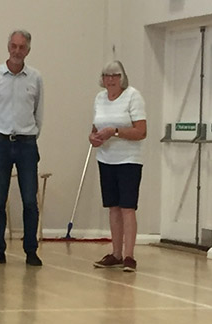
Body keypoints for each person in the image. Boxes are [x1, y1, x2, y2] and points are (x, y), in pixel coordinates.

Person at [0, 29, 44, 267]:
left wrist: (29, 133)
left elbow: (39, 113)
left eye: (22, 47)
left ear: (28, 50)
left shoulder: (35, 78)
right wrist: (0, 130)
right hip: (0, 143)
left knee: (30, 200)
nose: (17, 51)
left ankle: (31, 250)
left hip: (27, 144)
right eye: (14, 46)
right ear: (8, 47)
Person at [90, 61, 147, 273]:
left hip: (129, 160)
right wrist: (94, 137)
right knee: (113, 206)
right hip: (106, 159)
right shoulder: (100, 98)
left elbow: (141, 131)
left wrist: (114, 132)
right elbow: (96, 126)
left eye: (115, 75)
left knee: (127, 207)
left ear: (122, 77)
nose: (111, 79)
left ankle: (129, 255)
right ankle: (116, 253)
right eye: (106, 75)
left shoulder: (133, 96)